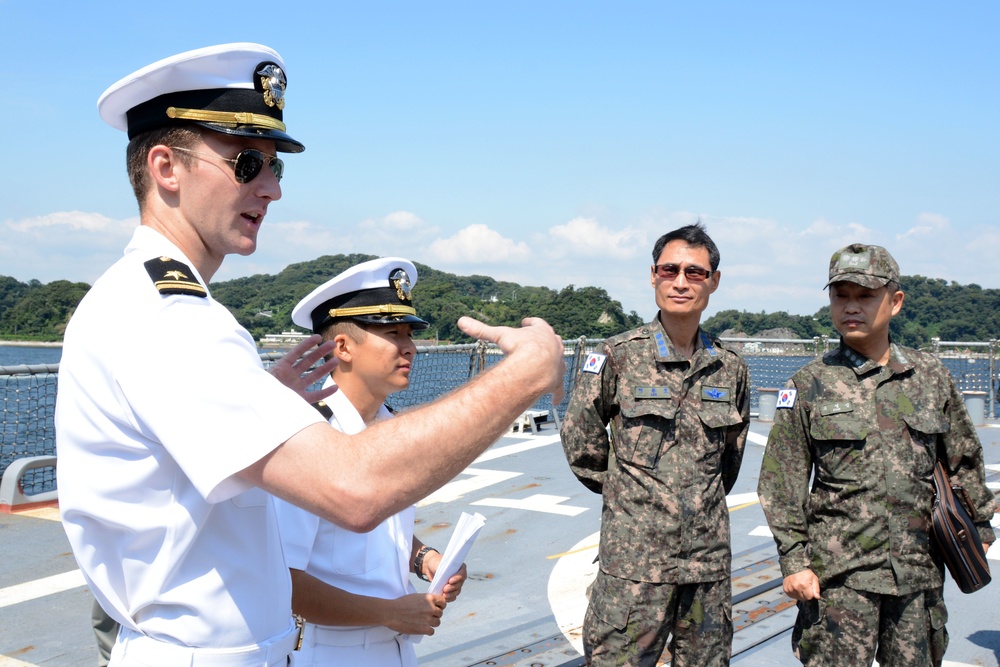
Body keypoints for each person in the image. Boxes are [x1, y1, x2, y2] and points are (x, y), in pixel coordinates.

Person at [55, 42, 564, 667]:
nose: (270, 189)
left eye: (276, 168)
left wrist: (263, 402)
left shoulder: (155, 305)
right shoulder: (168, 315)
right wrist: (525, 373)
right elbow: (355, 489)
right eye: (247, 162)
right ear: (166, 167)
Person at [757, 243, 996, 667]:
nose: (851, 307)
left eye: (865, 296)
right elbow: (781, 482)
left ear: (895, 301)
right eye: (840, 296)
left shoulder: (931, 377)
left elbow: (964, 460)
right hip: (837, 582)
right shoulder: (809, 383)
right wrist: (794, 562)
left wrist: (977, 532)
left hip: (918, 575)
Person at [560, 223, 750, 667]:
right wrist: (632, 499)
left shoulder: (730, 368)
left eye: (695, 272)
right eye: (670, 270)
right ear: (653, 276)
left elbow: (729, 459)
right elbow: (581, 441)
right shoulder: (617, 356)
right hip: (633, 566)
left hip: (705, 565)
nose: (680, 282)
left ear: (714, 282)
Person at [273, 256, 467, 666]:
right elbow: (282, 580)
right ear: (342, 347)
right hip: (328, 652)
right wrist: (390, 613)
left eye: (409, 334)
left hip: (393, 648)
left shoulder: (387, 427)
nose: (409, 347)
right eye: (392, 333)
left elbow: (375, 528)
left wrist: (423, 557)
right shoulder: (308, 439)